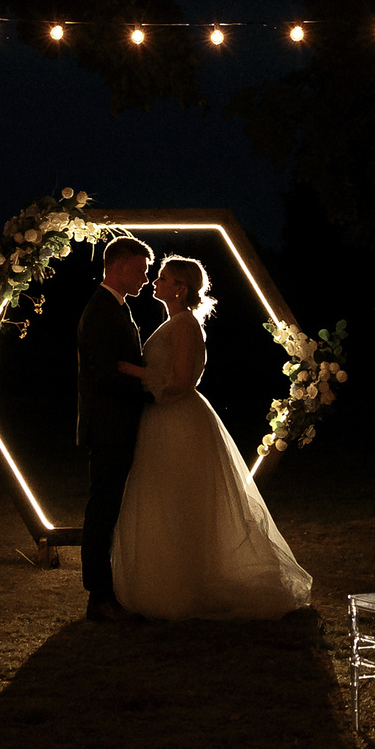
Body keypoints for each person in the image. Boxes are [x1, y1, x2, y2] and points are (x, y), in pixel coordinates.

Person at [110, 256, 312, 620]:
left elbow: (182, 381)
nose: (156, 281)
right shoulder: (174, 322)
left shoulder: (185, 325)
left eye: (164, 277)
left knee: (182, 502)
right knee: (165, 503)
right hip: (161, 420)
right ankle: (170, 580)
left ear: (179, 288)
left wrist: (131, 369)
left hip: (179, 422)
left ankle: (187, 585)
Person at [76, 235, 154, 623]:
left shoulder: (117, 307)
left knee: (108, 508)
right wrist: (150, 389)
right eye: (140, 270)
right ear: (119, 266)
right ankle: (99, 597)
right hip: (108, 427)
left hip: (116, 425)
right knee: (102, 510)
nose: (144, 278)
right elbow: (104, 373)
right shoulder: (101, 310)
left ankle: (106, 594)